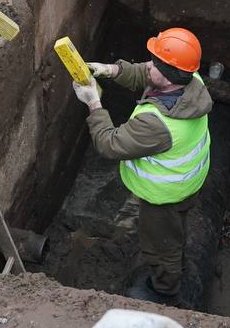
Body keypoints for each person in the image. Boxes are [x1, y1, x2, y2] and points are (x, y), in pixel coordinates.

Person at [73, 27, 213, 305]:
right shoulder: (190, 81)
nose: (149, 65)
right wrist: (110, 70)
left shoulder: (158, 124)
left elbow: (109, 144)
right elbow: (146, 74)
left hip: (164, 199)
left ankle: (164, 288)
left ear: (170, 74)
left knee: (161, 247)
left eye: (155, 62)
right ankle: (173, 256)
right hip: (187, 183)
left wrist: (93, 102)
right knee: (174, 232)